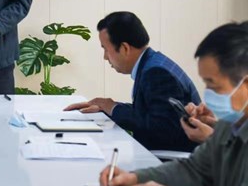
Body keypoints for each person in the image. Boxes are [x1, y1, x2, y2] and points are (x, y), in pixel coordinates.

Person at [99, 21, 248, 186]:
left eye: (213, 85)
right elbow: (194, 169)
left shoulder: (155, 70)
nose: (208, 94)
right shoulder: (228, 124)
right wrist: (135, 178)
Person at [64, 12, 201, 152]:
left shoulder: (156, 73)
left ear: (124, 48)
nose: (105, 57)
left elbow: (162, 128)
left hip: (167, 159)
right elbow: (152, 112)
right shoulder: (153, 63)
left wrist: (113, 108)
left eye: (105, 49)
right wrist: (107, 107)